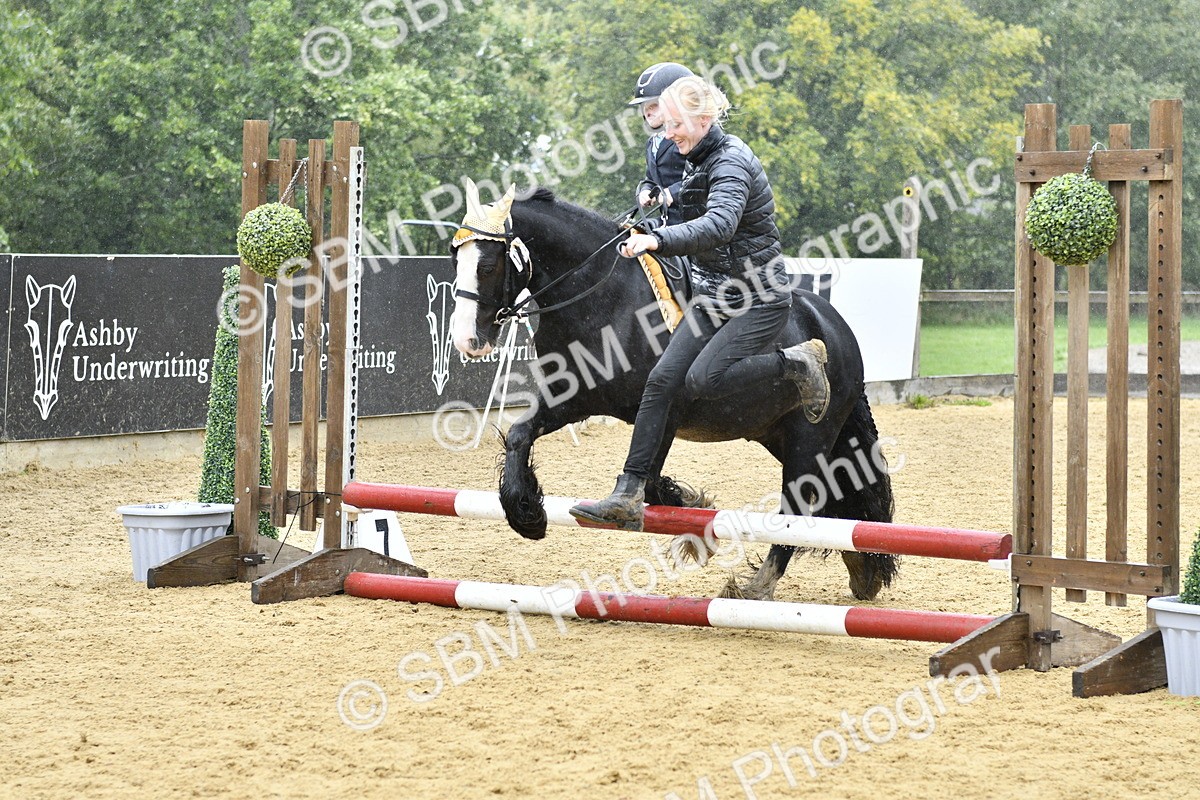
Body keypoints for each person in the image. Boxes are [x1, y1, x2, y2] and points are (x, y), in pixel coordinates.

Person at [569, 76, 831, 531]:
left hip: (759, 298)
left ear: (704, 119)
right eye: (666, 124)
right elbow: (680, 201)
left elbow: (719, 225)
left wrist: (657, 239)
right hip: (715, 295)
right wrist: (648, 206)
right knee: (662, 381)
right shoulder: (697, 158)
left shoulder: (732, 161)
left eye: (675, 125)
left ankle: (797, 363)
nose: (667, 134)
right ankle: (629, 494)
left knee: (702, 378)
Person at [628, 62, 693, 226]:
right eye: (644, 106)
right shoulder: (652, 143)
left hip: (696, 221)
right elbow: (651, 178)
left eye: (654, 105)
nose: (647, 111)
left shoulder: (689, 139)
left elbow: (701, 178)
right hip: (668, 220)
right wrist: (646, 191)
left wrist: (672, 192)